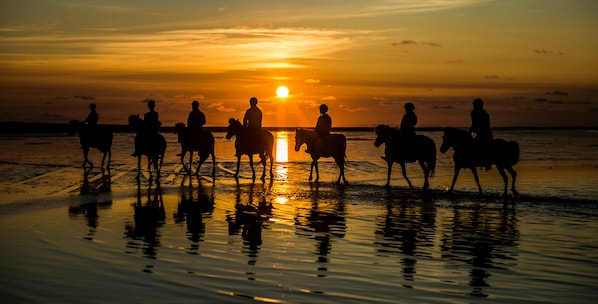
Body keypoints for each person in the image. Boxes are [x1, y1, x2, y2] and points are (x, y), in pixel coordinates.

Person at [469, 98, 493, 170]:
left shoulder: (475, 113)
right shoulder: (484, 113)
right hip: (483, 133)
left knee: (473, 142)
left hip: (483, 134)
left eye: (474, 104)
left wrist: (471, 132)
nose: (473, 105)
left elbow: (474, 125)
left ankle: (485, 163)